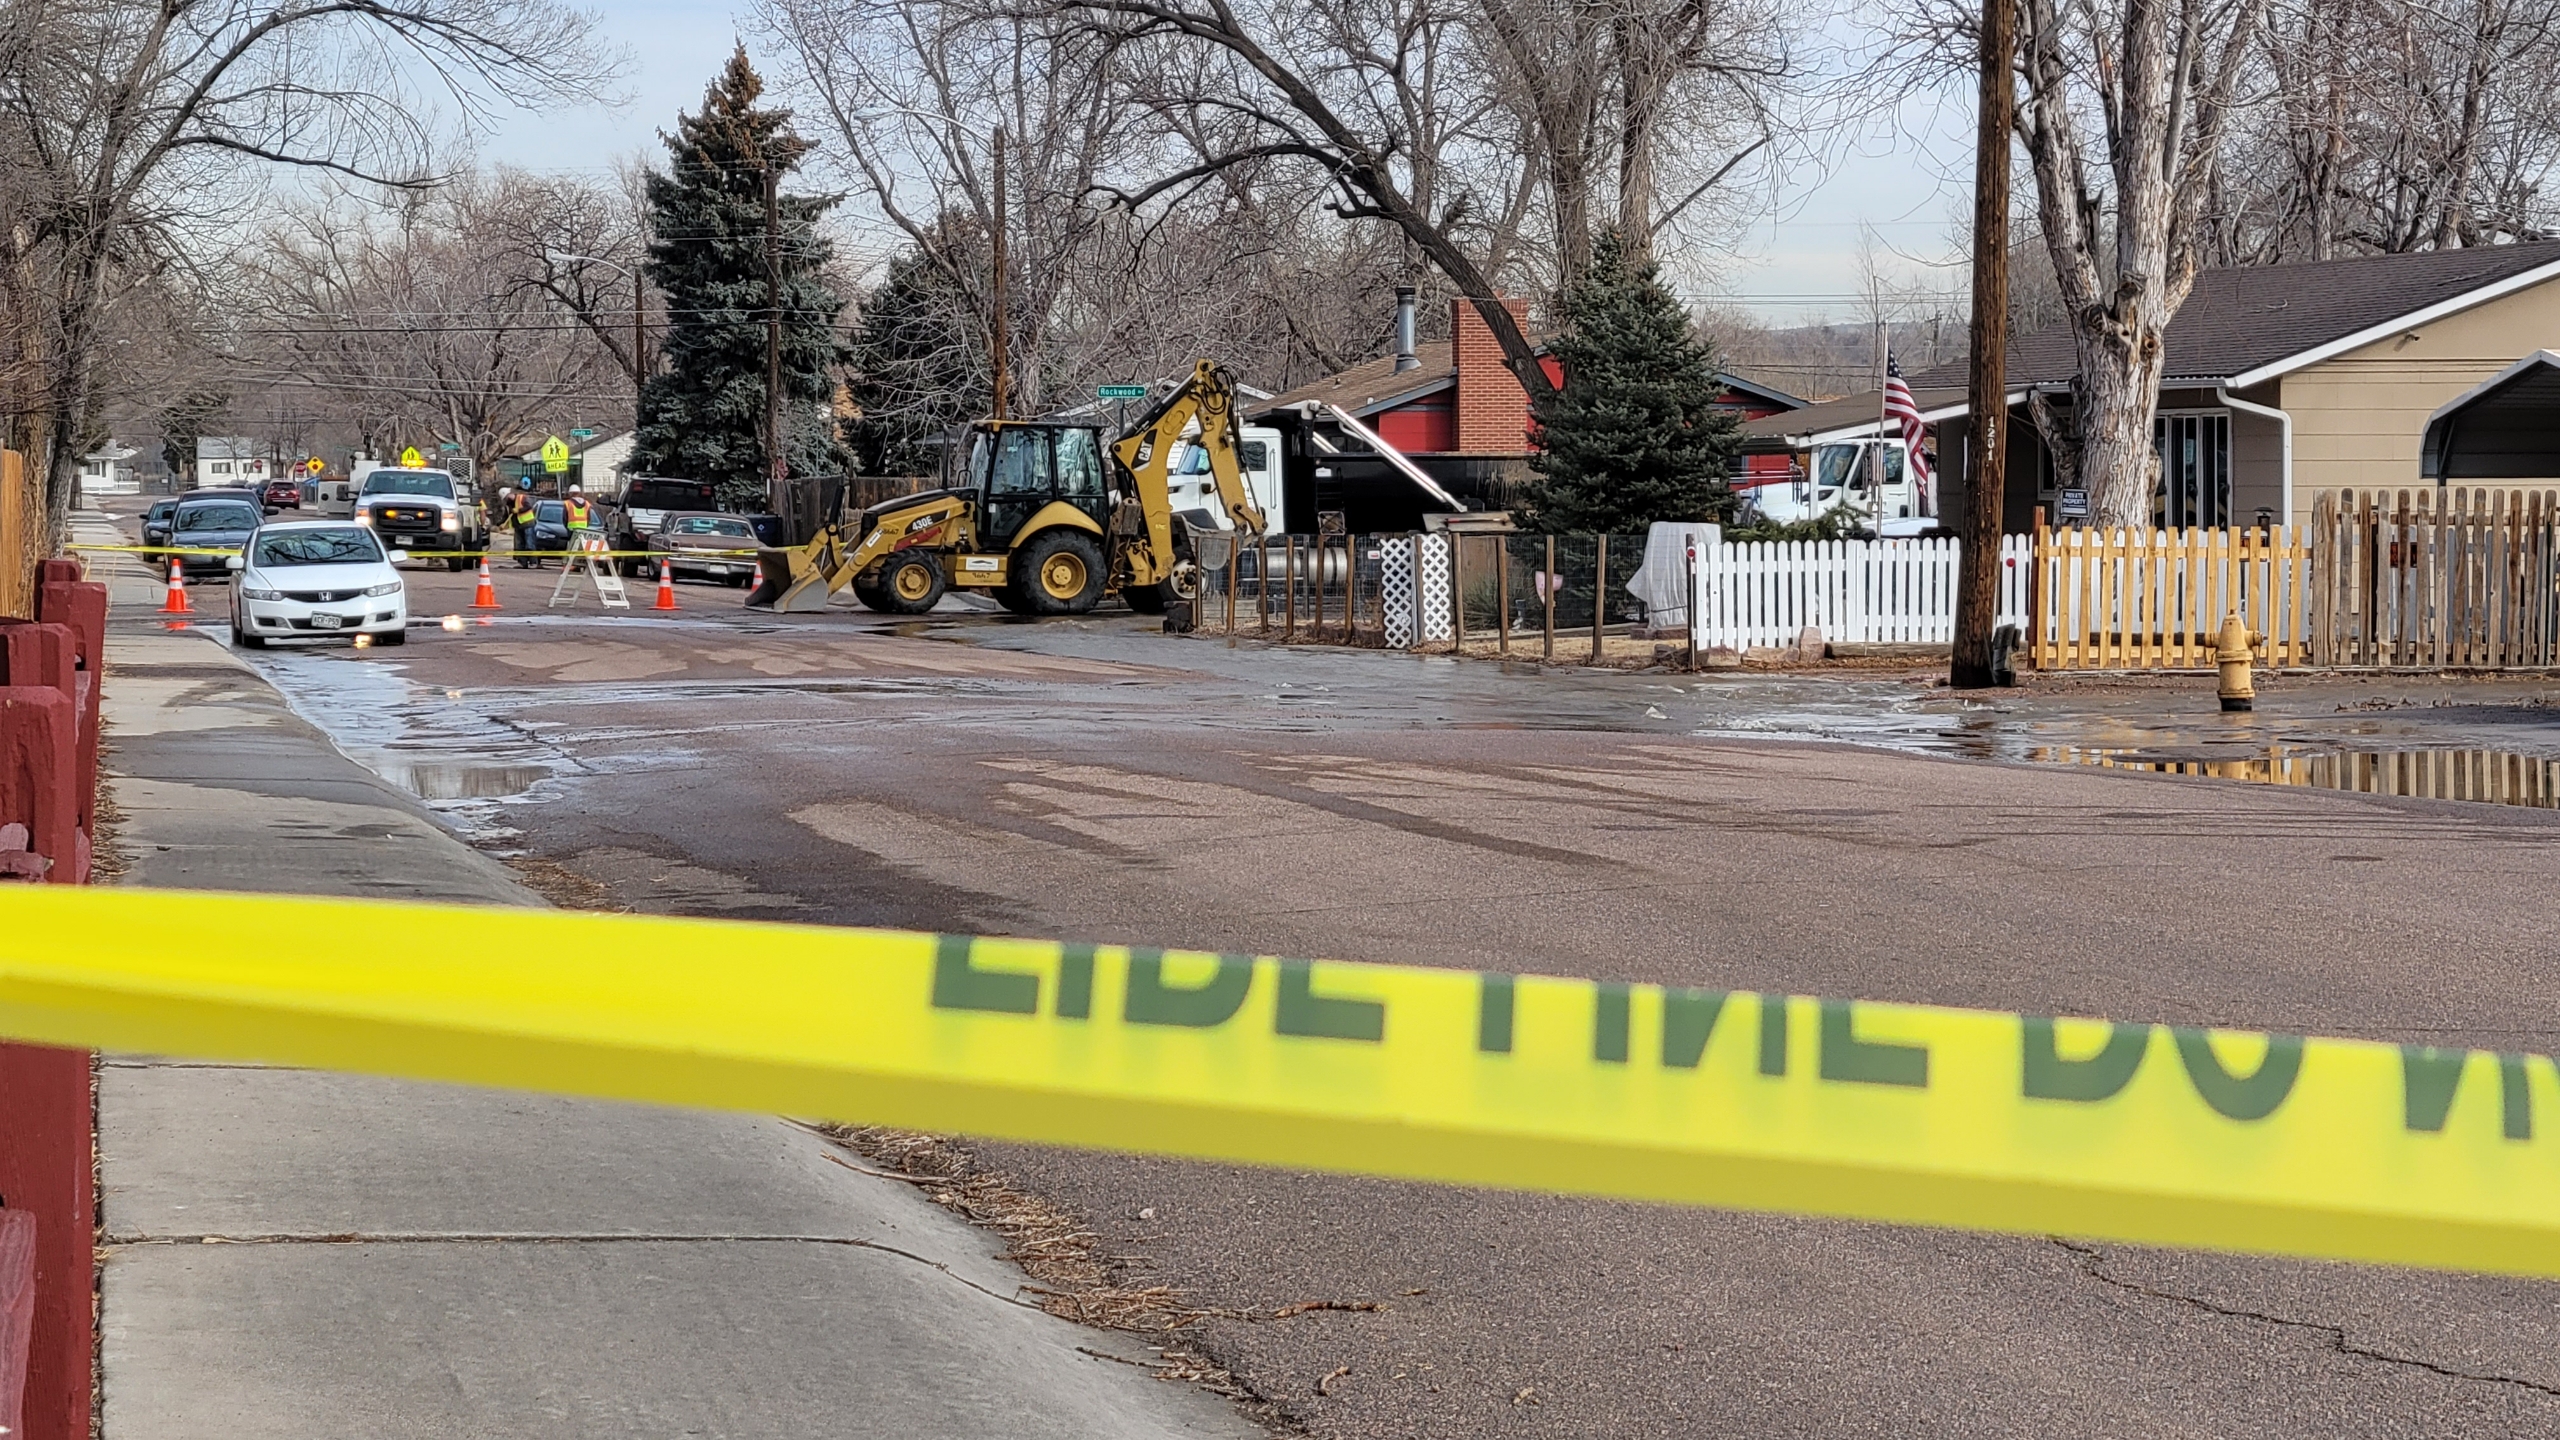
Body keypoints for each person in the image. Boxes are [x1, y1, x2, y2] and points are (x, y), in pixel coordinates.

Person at [509, 484, 540, 568]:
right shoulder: (509, 503)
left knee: (529, 544)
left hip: (528, 524)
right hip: (519, 526)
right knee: (519, 545)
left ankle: (533, 562)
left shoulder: (521, 498)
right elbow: (509, 515)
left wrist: (519, 510)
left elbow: (528, 507)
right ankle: (522, 562)